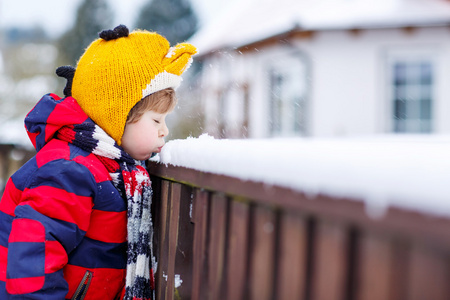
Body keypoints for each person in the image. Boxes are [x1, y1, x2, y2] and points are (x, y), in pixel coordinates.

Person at [0, 24, 196, 299]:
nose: (165, 130)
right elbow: (31, 262)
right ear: (116, 116)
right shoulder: (68, 172)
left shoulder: (111, 168)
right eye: (156, 120)